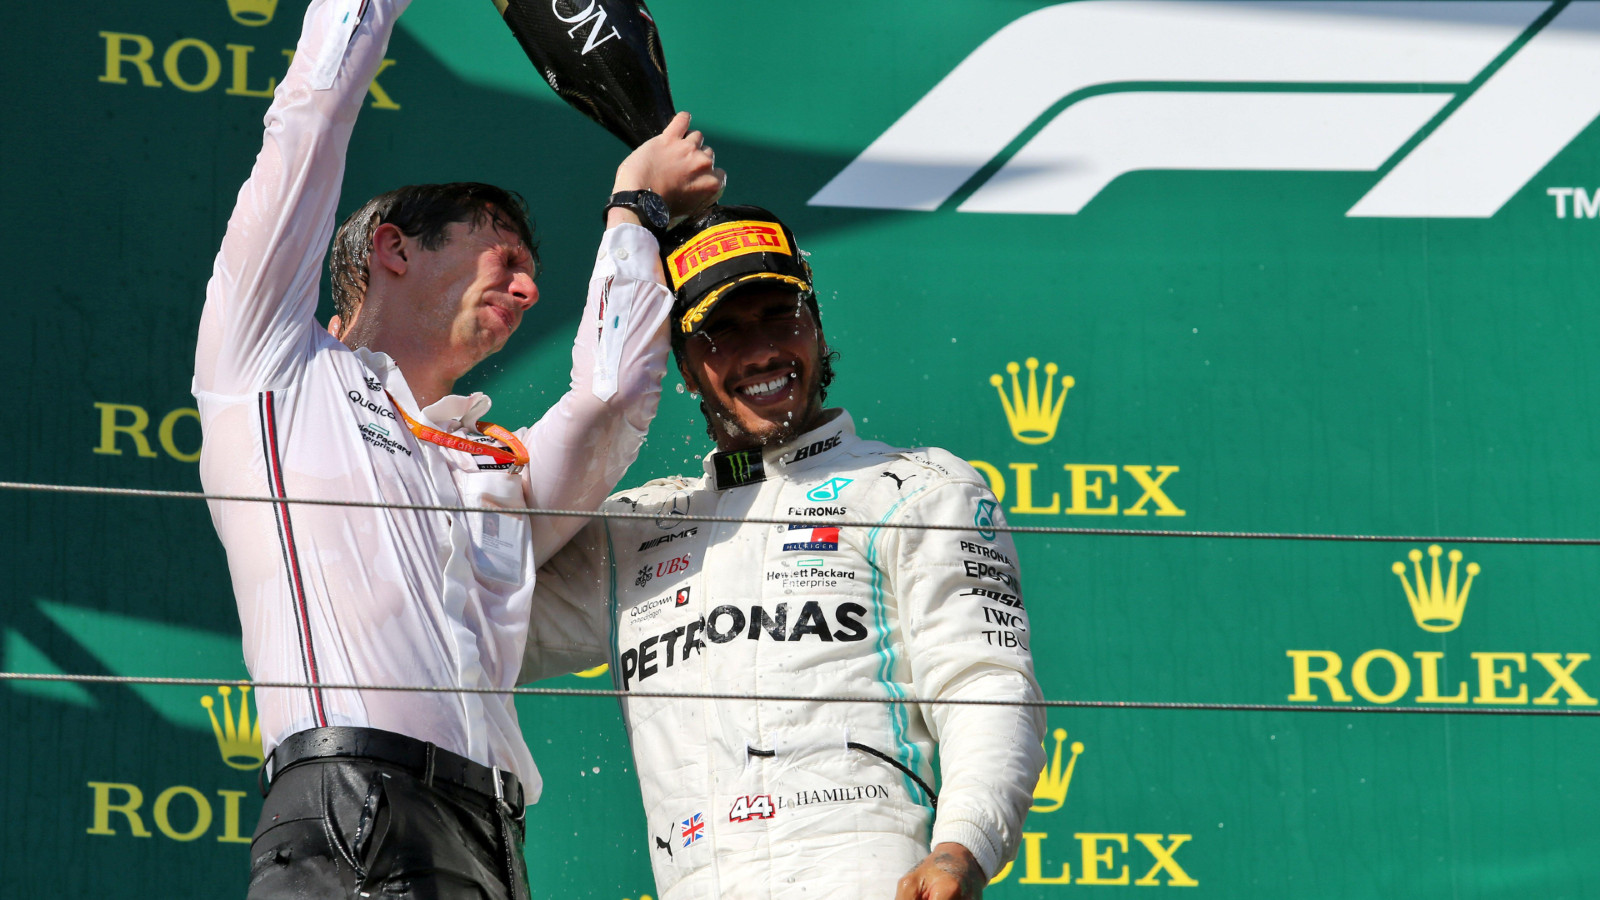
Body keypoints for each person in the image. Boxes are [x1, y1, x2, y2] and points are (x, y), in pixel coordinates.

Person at [191, 0, 722, 896]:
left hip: (491, 837)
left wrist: (635, 215)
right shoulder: (271, 369)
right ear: (394, 250)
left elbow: (612, 400)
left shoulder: (494, 465)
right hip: (348, 804)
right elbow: (309, 124)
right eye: (502, 255)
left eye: (531, 274)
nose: (527, 289)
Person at [524, 204, 1046, 900]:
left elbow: (985, 682)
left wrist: (963, 848)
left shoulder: (919, 487)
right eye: (723, 332)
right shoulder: (634, 532)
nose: (762, 351)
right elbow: (446, 627)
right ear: (683, 367)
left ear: (818, 328)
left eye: (781, 316)